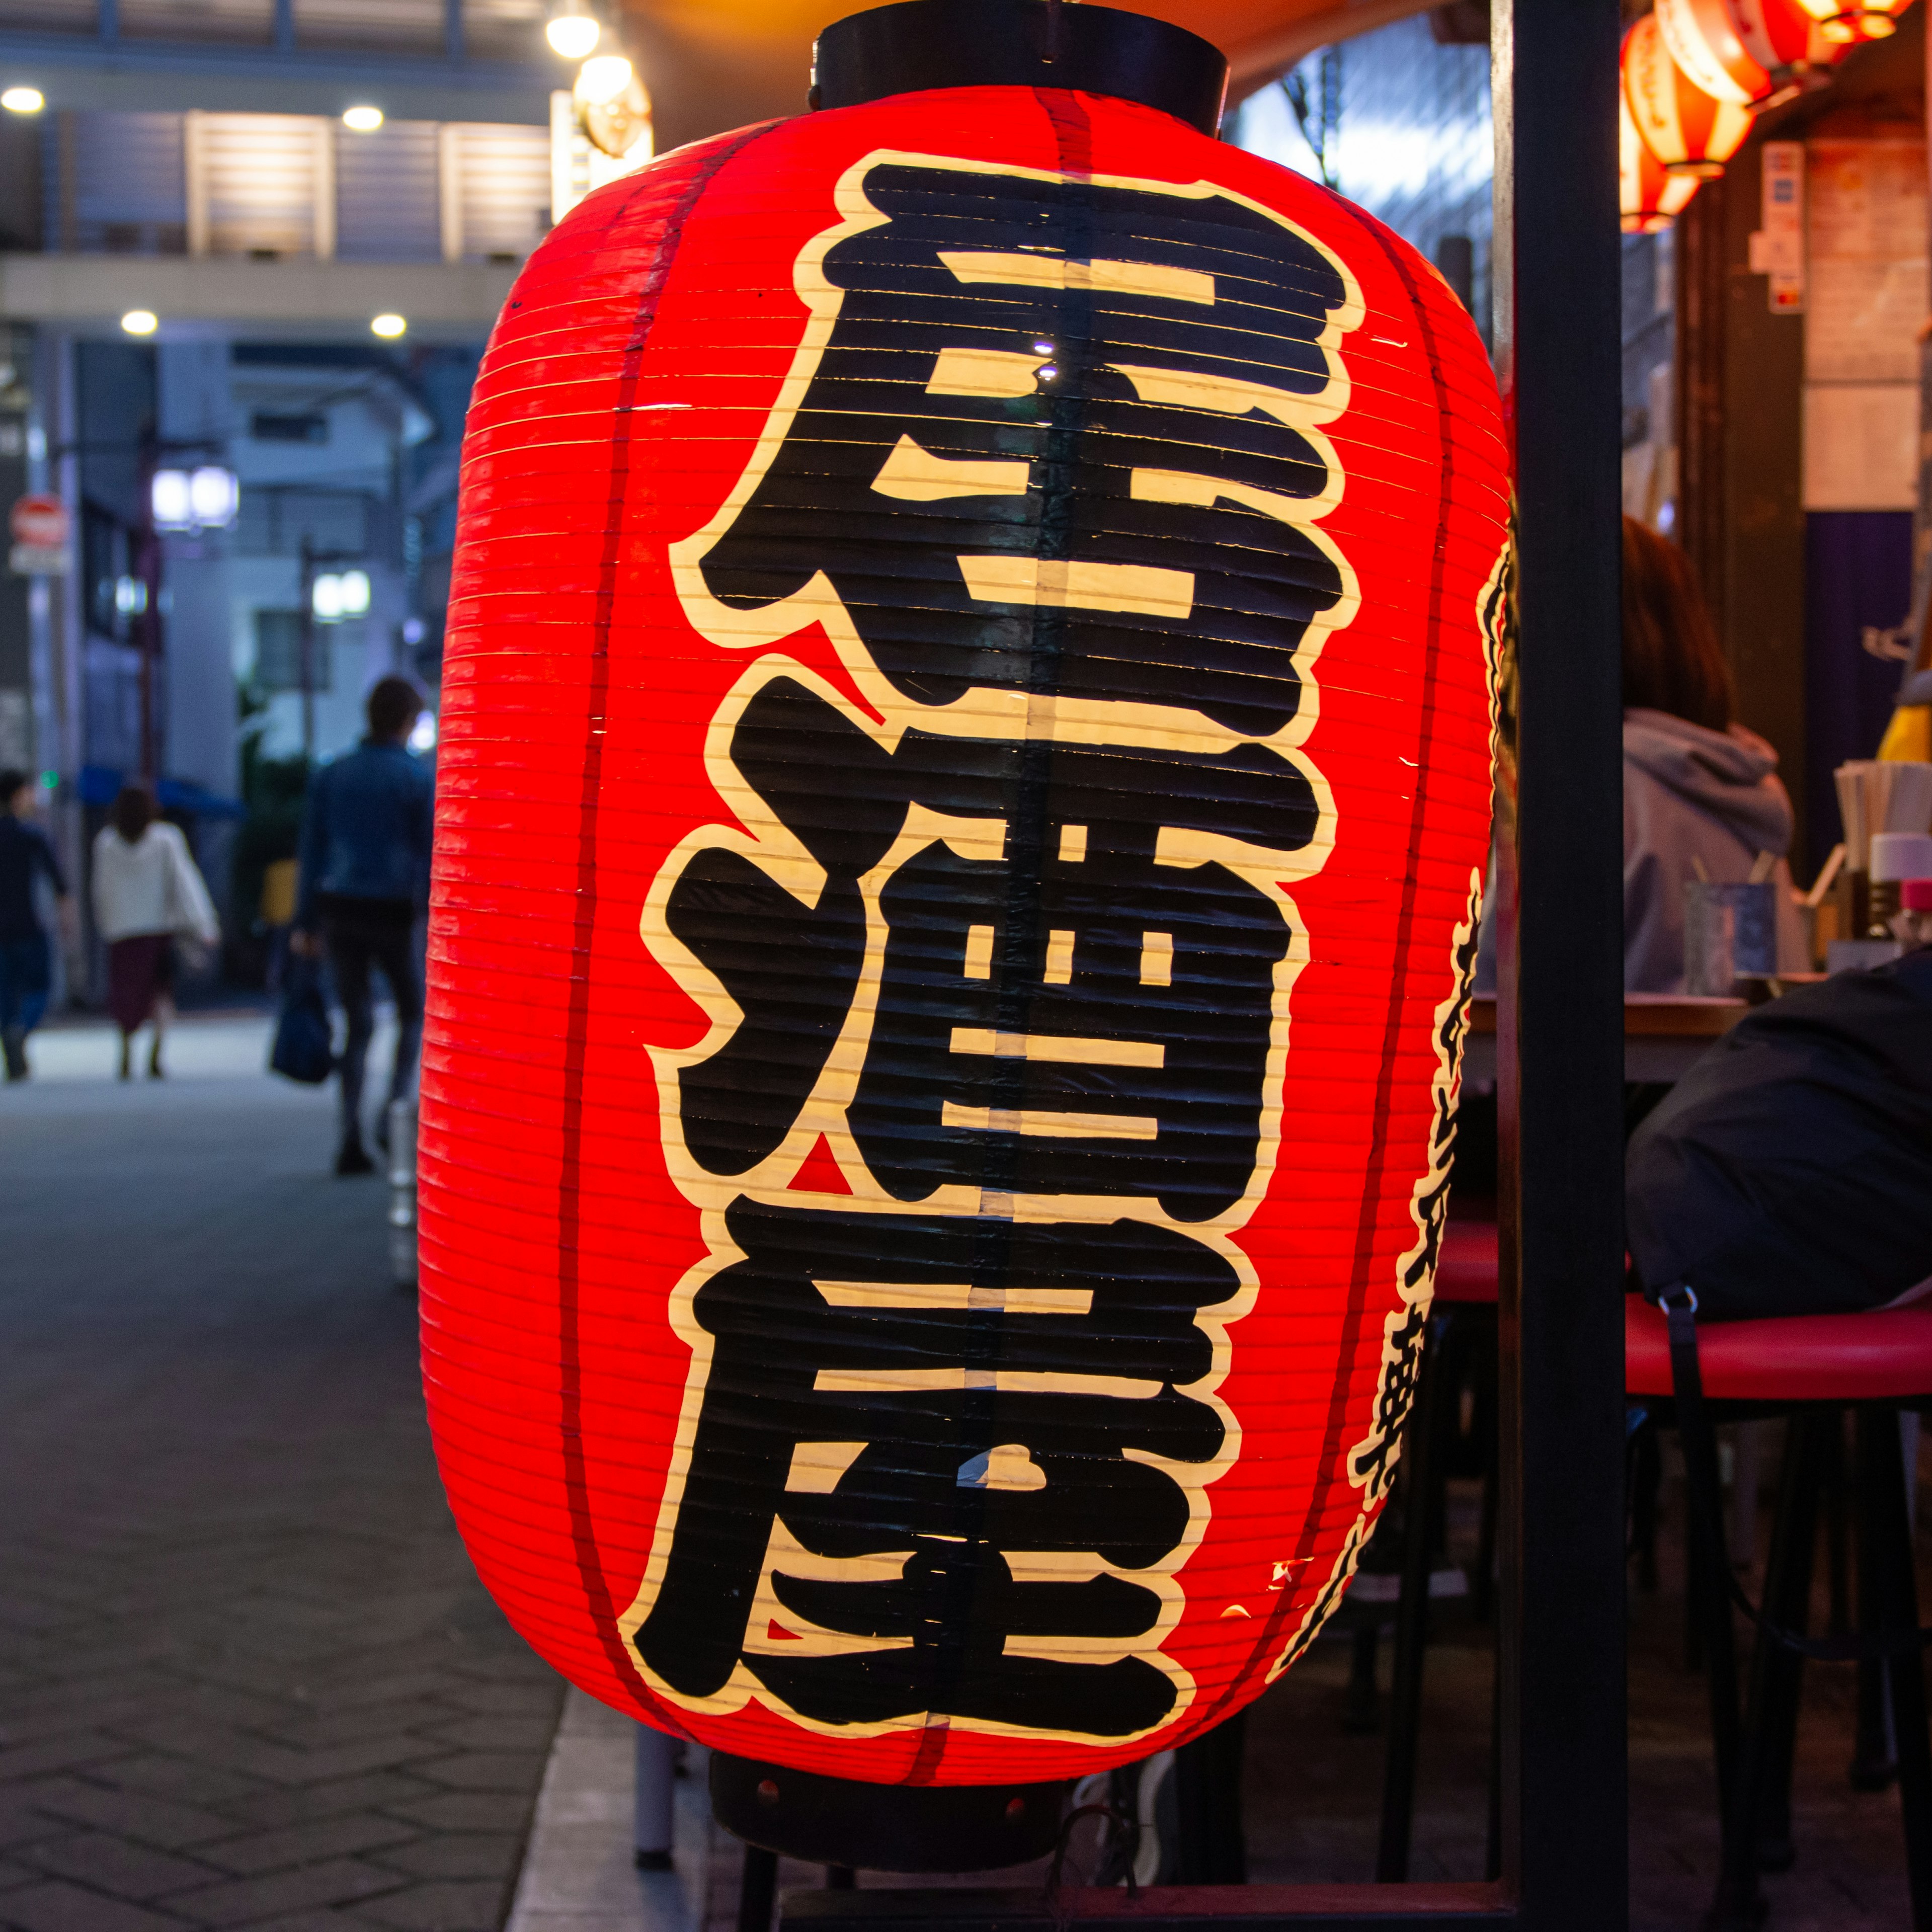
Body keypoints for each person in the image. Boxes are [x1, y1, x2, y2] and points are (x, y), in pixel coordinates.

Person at [1621, 515, 1807, 992]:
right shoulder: (1749, 783)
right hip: (1753, 1064)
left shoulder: (1596, 787)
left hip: (1644, 1068)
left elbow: (1486, 1000)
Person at [292, 676, 434, 1177]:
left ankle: (348, 1134)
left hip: (341, 909)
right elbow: (429, 856)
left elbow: (312, 851)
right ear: (405, 720)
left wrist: (304, 921)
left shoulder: (333, 775)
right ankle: (392, 1114)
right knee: (412, 1015)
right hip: (397, 912)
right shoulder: (416, 779)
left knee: (357, 1025)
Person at [92, 784, 220, 1081]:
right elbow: (185, 881)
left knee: (125, 993)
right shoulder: (166, 839)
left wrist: (106, 923)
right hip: (157, 929)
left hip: (122, 931)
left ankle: (125, 1050)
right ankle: (156, 1054)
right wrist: (204, 924)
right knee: (161, 993)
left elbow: (100, 889)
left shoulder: (107, 842)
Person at [0, 769, 73, 1082]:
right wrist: (67, 921)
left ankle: (12, 1035)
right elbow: (59, 882)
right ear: (18, 796)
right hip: (28, 925)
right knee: (40, 989)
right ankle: (21, 1031)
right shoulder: (32, 834)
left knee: (4, 994)